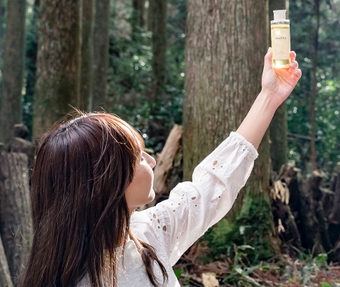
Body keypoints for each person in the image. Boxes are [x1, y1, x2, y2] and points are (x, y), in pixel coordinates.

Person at [18, 48, 302, 287]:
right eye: (139, 156)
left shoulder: (148, 234)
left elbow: (212, 187)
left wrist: (269, 96)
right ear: (107, 180)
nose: (153, 161)